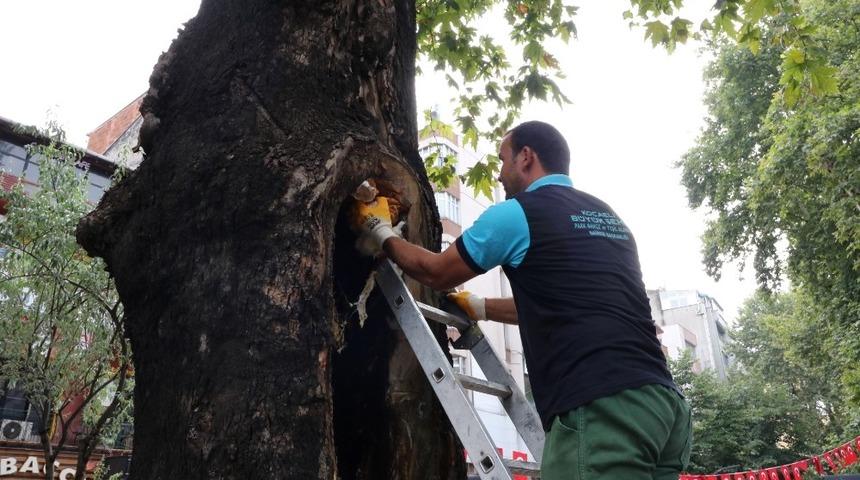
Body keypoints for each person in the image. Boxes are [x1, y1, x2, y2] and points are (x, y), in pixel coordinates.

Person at [352, 121, 692, 480]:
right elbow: (568, 303)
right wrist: (482, 308)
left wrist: (381, 231)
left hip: (603, 409)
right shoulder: (610, 219)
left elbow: (436, 272)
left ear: (526, 157)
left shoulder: (519, 213)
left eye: (502, 160)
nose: (499, 175)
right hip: (664, 409)